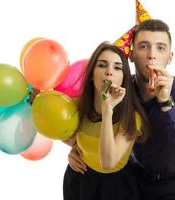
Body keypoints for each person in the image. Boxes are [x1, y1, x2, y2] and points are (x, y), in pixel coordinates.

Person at [68, 19, 175, 200]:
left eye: (160, 48)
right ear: (131, 55)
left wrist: (166, 102)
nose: (151, 55)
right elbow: (94, 120)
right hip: (132, 179)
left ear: (170, 57)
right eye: (143, 46)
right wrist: (79, 150)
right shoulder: (120, 89)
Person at [62, 41, 149, 200]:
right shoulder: (76, 106)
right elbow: (65, 135)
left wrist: (107, 110)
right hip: (80, 182)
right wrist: (74, 150)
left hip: (116, 188)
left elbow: (108, 163)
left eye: (117, 67)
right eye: (102, 65)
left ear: (123, 78)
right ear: (91, 74)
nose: (109, 72)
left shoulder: (132, 117)